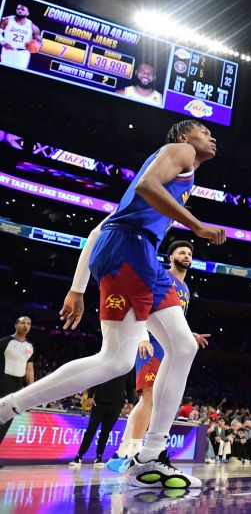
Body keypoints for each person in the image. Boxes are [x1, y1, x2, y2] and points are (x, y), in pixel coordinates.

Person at [0, 120, 225, 489]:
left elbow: (99, 228)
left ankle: (151, 456)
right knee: (116, 359)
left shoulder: (179, 181)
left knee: (183, 346)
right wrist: (197, 226)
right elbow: (145, 185)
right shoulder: (179, 152)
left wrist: (77, 289)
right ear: (184, 137)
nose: (210, 137)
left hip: (141, 252)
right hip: (129, 249)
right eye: (203, 131)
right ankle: (8, 407)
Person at [108, 240, 209, 471]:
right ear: (170, 256)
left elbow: (173, 319)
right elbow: (141, 304)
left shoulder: (185, 289)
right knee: (151, 399)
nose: (187, 256)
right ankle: (136, 452)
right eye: (181, 252)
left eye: (190, 254)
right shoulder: (162, 277)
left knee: (148, 400)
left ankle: (123, 451)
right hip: (151, 343)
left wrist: (188, 333)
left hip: (168, 345)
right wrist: (142, 335)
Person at [70, 367, 138, 468]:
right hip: (99, 402)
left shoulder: (128, 366)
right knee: (91, 430)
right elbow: (97, 379)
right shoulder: (108, 362)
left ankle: (99, 456)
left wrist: (131, 402)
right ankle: (79, 456)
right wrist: (90, 396)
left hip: (116, 404)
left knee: (106, 432)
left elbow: (129, 385)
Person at [0, 316, 35, 449]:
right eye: (22, 323)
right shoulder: (4, 342)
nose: (25, 326)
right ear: (16, 325)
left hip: (18, 386)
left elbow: (29, 368)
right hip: (3, 382)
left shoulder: (30, 346)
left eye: (28, 323)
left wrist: (31, 389)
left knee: (7, 420)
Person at [0, 3, 41, 69]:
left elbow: (39, 41)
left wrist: (35, 46)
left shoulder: (32, 26)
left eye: (22, 9)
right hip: (7, 51)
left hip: (22, 54)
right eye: (18, 9)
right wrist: (3, 42)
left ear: (27, 13)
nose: (19, 11)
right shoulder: (7, 20)